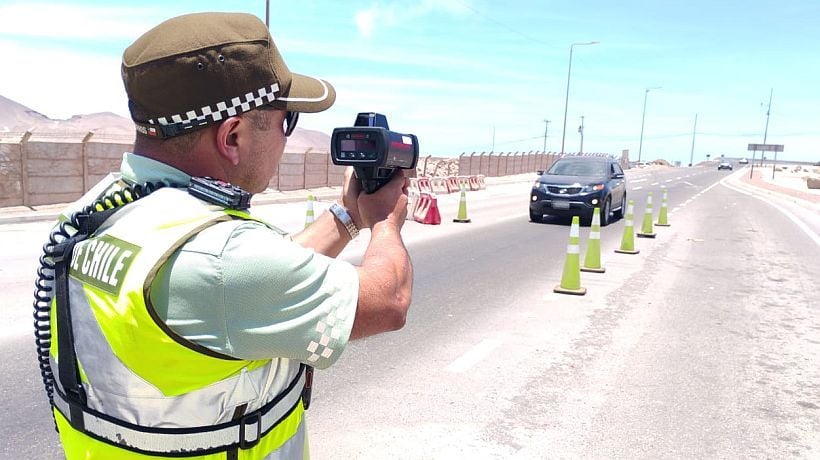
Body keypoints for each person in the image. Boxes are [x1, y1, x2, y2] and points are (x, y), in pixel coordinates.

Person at [42, 11, 413, 460]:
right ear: (232, 136)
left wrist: (349, 216)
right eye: (286, 122)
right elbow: (387, 301)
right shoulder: (221, 258)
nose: (285, 139)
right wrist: (386, 221)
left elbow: (252, 284)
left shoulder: (103, 211)